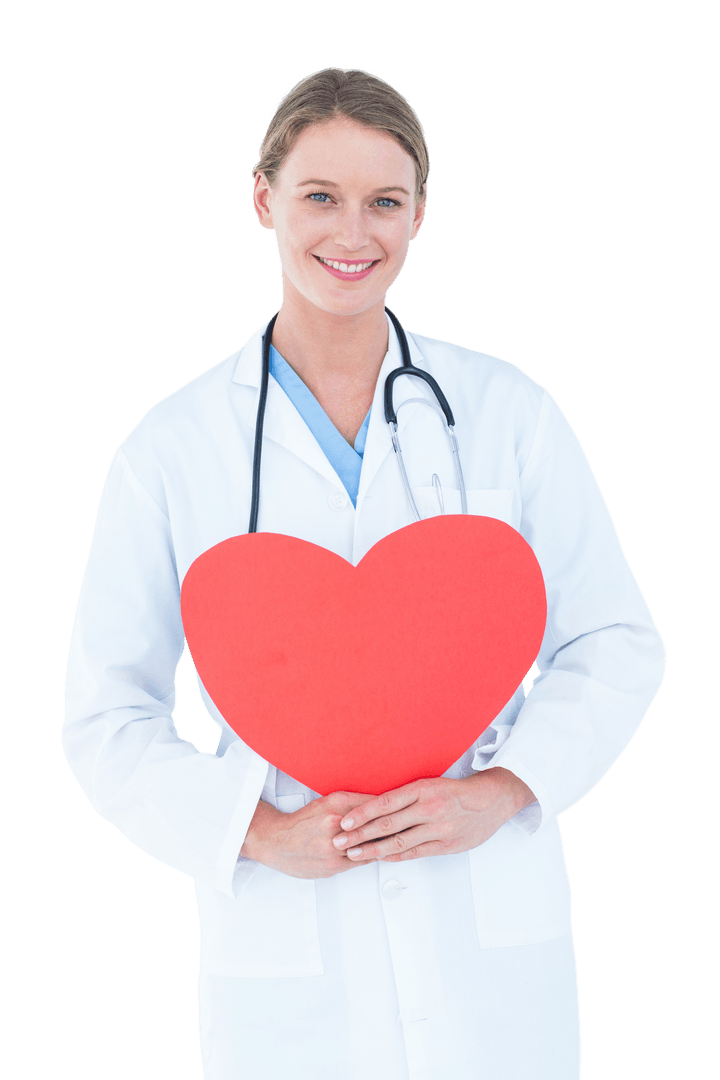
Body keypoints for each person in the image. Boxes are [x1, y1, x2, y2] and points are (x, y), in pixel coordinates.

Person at [62, 66, 666, 1079]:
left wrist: (504, 789)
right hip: (289, 957)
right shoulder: (172, 448)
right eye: (319, 197)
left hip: (487, 938)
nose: (354, 233)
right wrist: (258, 836)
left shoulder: (505, 411)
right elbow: (105, 719)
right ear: (263, 201)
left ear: (421, 213)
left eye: (385, 201)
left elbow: (614, 642)